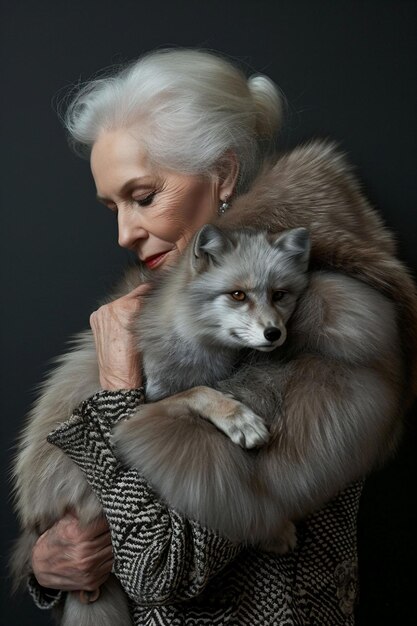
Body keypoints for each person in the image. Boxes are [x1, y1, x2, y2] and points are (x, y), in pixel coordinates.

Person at [18, 48, 417, 624]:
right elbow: (83, 531)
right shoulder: (181, 308)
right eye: (113, 207)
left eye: (144, 196)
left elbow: (158, 566)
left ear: (222, 175)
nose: (125, 233)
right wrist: (47, 564)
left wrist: (115, 394)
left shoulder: (322, 332)